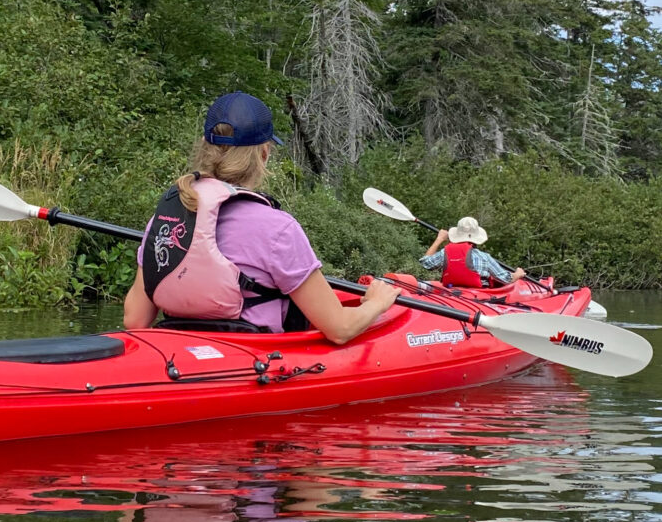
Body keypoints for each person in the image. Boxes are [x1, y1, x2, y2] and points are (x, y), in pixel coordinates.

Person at [123, 92, 399, 343]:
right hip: (255, 364)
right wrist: (377, 302)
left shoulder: (168, 219)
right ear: (264, 154)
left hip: (176, 358)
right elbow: (340, 330)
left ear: (205, 148)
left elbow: (135, 321)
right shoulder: (278, 229)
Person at [420, 216, 525, 289]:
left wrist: (439, 239)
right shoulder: (484, 257)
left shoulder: (445, 252)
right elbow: (506, 279)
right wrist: (518, 274)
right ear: (476, 237)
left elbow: (425, 263)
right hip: (479, 297)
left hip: (452, 293)